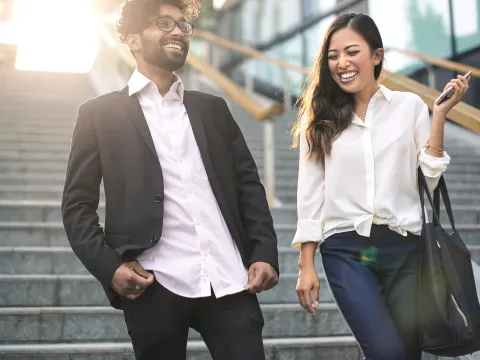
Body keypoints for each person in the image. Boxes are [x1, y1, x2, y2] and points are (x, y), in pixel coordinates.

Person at [61, 1, 279, 359]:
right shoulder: (98, 115)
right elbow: (76, 206)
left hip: (228, 277)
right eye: (164, 23)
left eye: (183, 25)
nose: (178, 31)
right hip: (153, 282)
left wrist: (263, 253)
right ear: (131, 39)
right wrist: (110, 267)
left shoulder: (213, 109)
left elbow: (248, 187)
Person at [291, 12, 470, 360]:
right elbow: (310, 193)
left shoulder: (409, 107)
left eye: (351, 52)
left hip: (405, 247)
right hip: (346, 250)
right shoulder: (321, 118)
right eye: (333, 55)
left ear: (376, 56)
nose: (341, 62)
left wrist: (439, 116)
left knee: (406, 352)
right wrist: (305, 264)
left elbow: (429, 181)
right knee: (386, 352)